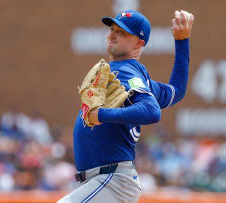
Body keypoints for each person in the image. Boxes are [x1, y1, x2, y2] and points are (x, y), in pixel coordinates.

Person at [58, 9, 194, 203]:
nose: (113, 33)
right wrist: (182, 41)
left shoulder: (125, 73)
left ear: (139, 43)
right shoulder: (135, 77)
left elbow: (151, 111)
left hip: (111, 181)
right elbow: (177, 91)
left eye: (122, 31)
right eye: (112, 28)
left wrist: (101, 114)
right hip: (102, 182)